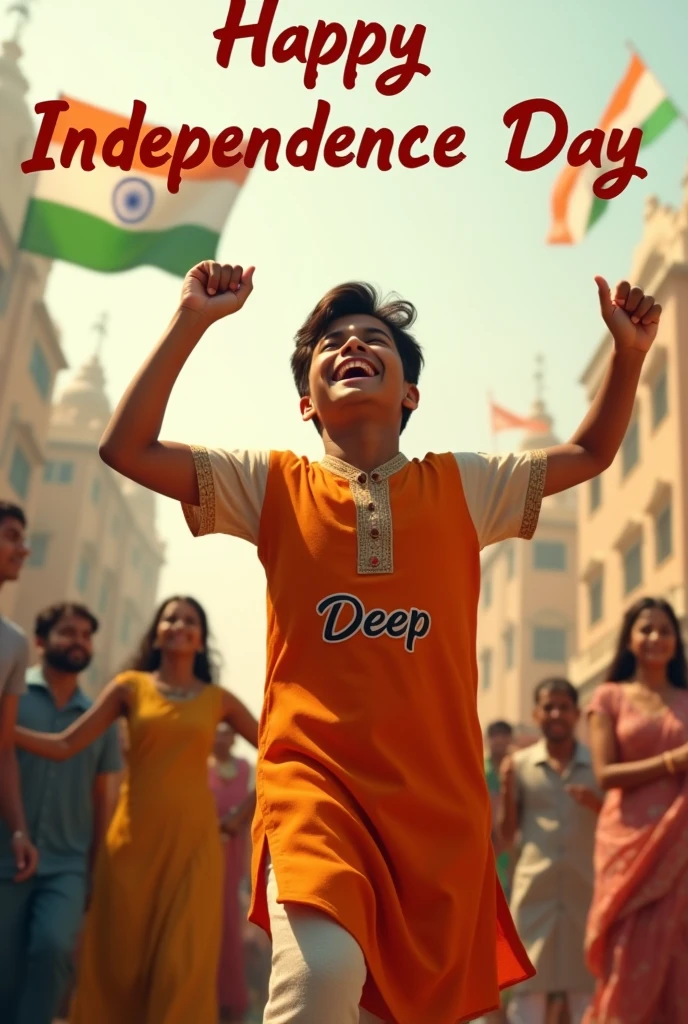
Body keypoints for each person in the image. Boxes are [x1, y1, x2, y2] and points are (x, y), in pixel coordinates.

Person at [97, 258, 660, 1024]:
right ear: (306, 402)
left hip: (438, 811)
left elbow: (591, 453)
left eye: (373, 340)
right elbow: (125, 448)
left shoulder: (466, 484)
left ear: (411, 393)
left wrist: (628, 356)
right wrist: (191, 321)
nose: (351, 345)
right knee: (321, 976)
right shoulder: (270, 484)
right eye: (333, 343)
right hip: (314, 789)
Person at [15, 595, 259, 1024]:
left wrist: (241, 815)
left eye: (189, 620)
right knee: (117, 970)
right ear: (157, 632)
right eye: (170, 618)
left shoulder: (219, 700)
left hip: (194, 849)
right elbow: (66, 744)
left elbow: (277, 751)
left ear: (201, 640)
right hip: (132, 847)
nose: (179, 625)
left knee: (179, 969)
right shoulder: (130, 687)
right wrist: (7, 730)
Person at [0, 602, 121, 1024]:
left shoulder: (99, 717)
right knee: (5, 965)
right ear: (38, 642)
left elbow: (102, 797)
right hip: (6, 855)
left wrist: (94, 872)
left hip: (67, 866)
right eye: (68, 632)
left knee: (53, 948)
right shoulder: (10, 698)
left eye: (86, 635)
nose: (79, 642)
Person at [584, 597, 688, 1024]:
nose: (655, 638)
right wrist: (673, 762)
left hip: (681, 846)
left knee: (678, 952)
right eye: (646, 629)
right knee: (626, 953)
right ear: (629, 639)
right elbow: (605, 773)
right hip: (626, 845)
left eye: (665, 630)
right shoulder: (609, 696)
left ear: (676, 641)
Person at [499, 679, 601, 1024]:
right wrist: (508, 788)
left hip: (586, 895)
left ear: (576, 714)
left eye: (563, 707)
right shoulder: (520, 765)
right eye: (548, 706)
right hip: (534, 896)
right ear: (536, 713)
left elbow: (616, 824)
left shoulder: (600, 765)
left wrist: (595, 804)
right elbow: (507, 835)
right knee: (528, 999)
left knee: (588, 998)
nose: (556, 713)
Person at [0, 501, 38, 884]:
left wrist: (18, 830)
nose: (23, 550)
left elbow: (4, 746)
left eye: (24, 540)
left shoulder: (14, 643)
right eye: (12, 537)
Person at [209, 721, 253, 1024]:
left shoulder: (248, 771)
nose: (222, 736)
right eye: (217, 730)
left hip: (236, 862)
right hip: (203, 861)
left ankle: (233, 1007)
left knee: (232, 935)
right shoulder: (198, 768)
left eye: (227, 730)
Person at [485, 720, 514, 897]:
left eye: (503, 735)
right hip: (486, 840)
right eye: (495, 735)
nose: (499, 740)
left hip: (512, 842)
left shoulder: (517, 767)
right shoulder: (479, 767)